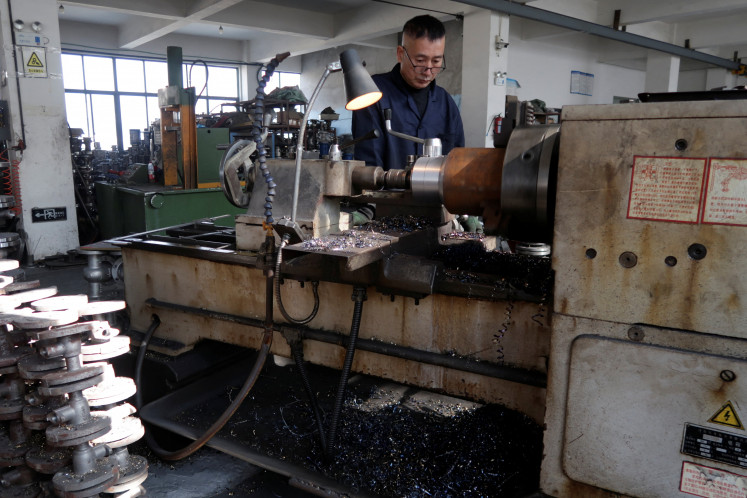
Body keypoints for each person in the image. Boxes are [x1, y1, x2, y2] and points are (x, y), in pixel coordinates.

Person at [352, 15, 465, 171]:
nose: (428, 71)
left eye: (436, 61)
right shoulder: (373, 93)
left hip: (437, 195)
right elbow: (368, 165)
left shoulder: (446, 103)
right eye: (420, 61)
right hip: (385, 194)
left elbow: (457, 162)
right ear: (400, 54)